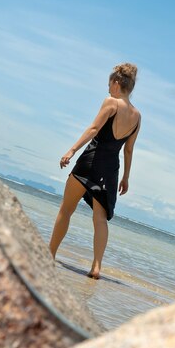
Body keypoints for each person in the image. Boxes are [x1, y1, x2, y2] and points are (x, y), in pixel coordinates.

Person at [49, 63, 141, 279]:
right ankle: (96, 266)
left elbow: (93, 129)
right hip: (111, 170)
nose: (108, 89)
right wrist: (126, 177)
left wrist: (71, 150)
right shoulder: (137, 117)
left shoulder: (112, 102)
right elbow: (128, 150)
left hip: (90, 161)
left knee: (66, 209)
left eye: (109, 84)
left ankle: (50, 253)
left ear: (117, 84)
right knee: (100, 219)